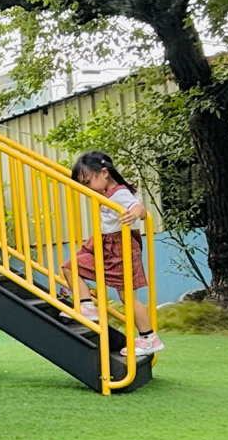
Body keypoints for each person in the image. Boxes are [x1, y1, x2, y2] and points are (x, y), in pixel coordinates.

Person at [60, 151, 164, 355]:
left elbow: (137, 207)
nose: (86, 189)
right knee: (70, 266)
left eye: (87, 182)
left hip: (120, 246)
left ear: (104, 173)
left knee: (128, 297)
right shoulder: (105, 194)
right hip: (104, 243)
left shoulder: (119, 193)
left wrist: (134, 214)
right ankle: (86, 305)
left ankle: (149, 337)